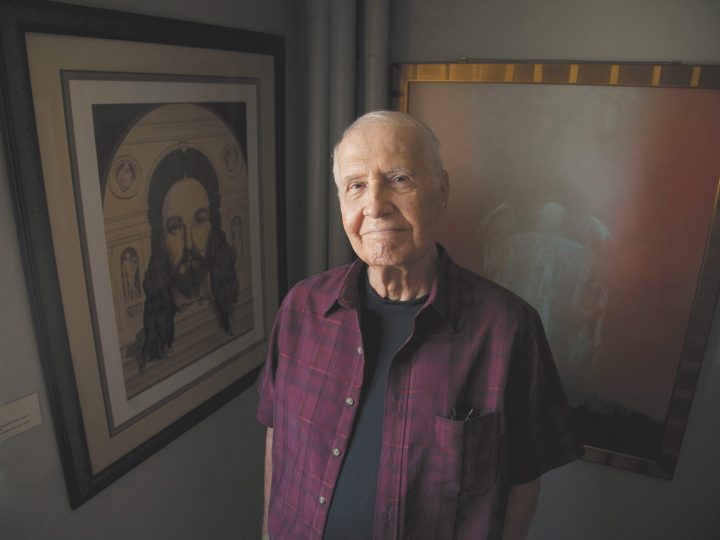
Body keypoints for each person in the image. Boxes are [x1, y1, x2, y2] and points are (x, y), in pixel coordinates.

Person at [256, 111, 583, 539]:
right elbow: (277, 436)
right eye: (356, 186)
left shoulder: (508, 330)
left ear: (441, 191)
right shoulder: (301, 308)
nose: (374, 205)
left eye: (399, 179)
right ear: (342, 203)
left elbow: (523, 481)